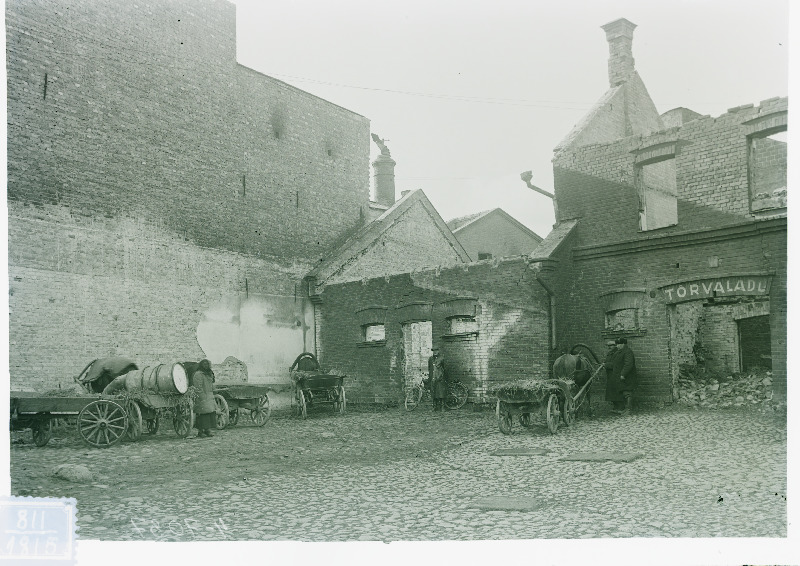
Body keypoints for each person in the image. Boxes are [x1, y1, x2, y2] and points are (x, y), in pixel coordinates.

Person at [610, 338, 637, 415]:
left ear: (623, 344)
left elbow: (628, 364)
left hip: (627, 376)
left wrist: (623, 374)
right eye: (616, 344)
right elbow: (615, 363)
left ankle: (629, 410)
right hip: (621, 376)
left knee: (628, 392)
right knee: (623, 392)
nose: (617, 346)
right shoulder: (619, 352)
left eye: (618, 344)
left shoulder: (628, 352)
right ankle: (625, 409)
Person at [192, 359, 217, 437]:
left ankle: (207, 430)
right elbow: (198, 387)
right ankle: (200, 431)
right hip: (202, 397)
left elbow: (211, 384)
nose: (206, 366)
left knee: (210, 414)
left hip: (209, 396)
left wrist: (212, 393)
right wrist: (202, 396)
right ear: (201, 365)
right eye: (204, 364)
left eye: (207, 364)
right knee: (202, 415)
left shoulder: (209, 373)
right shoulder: (198, 374)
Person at [603, 340, 622, 412]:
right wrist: (604, 364)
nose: (609, 347)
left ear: (615, 346)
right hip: (610, 375)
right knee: (611, 391)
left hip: (616, 375)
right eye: (608, 346)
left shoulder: (617, 353)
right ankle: (615, 407)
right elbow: (607, 361)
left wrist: (605, 365)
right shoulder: (609, 353)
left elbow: (615, 365)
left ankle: (620, 407)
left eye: (611, 345)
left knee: (616, 391)